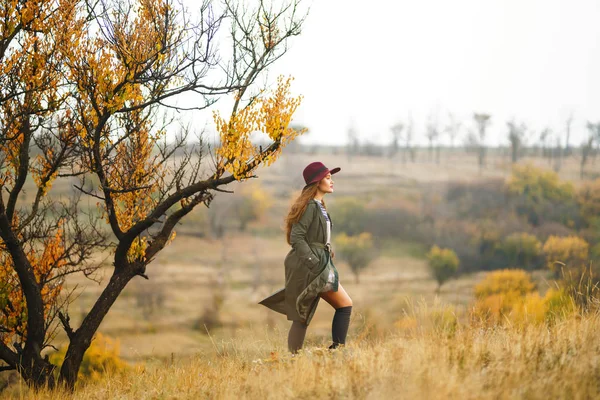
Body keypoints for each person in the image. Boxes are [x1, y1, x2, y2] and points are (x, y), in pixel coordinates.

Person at [259, 161, 353, 353]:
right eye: (328, 177)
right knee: (319, 311)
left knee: (306, 315)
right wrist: (314, 262)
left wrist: (326, 251)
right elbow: (297, 237)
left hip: (320, 263)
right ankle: (333, 352)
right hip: (311, 267)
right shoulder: (310, 206)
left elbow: (314, 237)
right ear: (317, 182)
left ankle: (327, 352)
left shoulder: (319, 206)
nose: (332, 181)